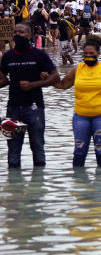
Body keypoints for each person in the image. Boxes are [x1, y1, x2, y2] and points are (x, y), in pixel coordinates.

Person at [53, 39, 101, 167]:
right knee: (79, 152)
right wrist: (48, 77)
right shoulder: (77, 69)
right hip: (80, 117)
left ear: (98, 53)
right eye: (85, 54)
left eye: (91, 53)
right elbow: (62, 85)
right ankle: (79, 183)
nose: (88, 56)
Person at [0, 22, 60, 168]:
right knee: (13, 152)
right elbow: (3, 79)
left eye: (21, 32)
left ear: (30, 35)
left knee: (38, 147)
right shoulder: (8, 56)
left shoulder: (39, 55)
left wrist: (33, 85)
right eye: (15, 32)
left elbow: (56, 77)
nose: (17, 35)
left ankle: (38, 187)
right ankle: (15, 187)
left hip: (35, 108)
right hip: (12, 109)